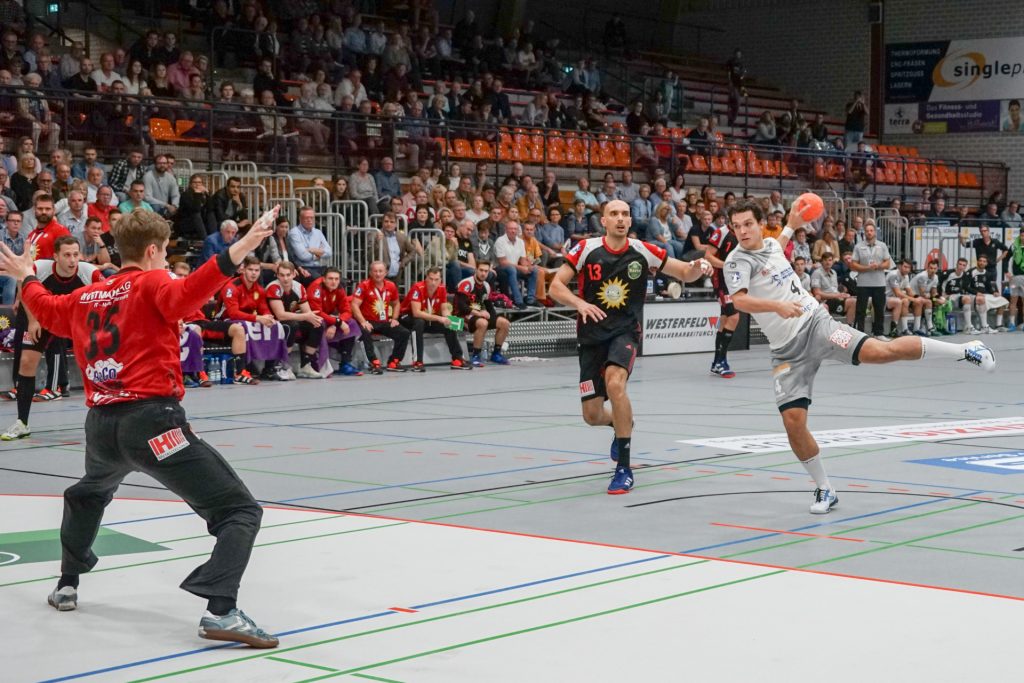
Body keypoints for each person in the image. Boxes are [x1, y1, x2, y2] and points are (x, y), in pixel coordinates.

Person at [0, 204, 282, 646]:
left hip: (101, 427)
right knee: (239, 511)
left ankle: (67, 584)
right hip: (153, 424)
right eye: (166, 251)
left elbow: (47, 308)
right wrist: (245, 244)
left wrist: (26, 275)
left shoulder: (87, 295)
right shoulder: (154, 282)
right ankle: (221, 610)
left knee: (89, 493)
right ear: (153, 251)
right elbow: (194, 288)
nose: (166, 259)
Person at [722, 199, 994, 515]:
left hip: (818, 326)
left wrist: (792, 225)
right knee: (793, 423)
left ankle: (965, 350)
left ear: (759, 224)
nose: (742, 231)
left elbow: (776, 246)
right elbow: (740, 302)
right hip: (787, 352)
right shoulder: (736, 262)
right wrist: (777, 306)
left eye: (748, 224)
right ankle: (825, 488)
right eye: (736, 226)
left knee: (881, 352)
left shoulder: (770, 244)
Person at [548, 200, 712, 494]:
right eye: (614, 214)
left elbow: (685, 273)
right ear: (604, 221)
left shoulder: (643, 250)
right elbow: (555, 286)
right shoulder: (585, 249)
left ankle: (623, 468)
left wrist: (699, 266)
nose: (621, 219)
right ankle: (622, 422)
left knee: (616, 384)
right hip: (591, 336)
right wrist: (579, 303)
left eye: (625, 214)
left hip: (625, 332)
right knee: (592, 415)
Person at [2, 237, 103, 438]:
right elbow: (23, 286)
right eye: (67, 255)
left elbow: (108, 295)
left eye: (75, 254)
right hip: (39, 316)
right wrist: (33, 321)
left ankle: (103, 420)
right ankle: (22, 423)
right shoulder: (40, 268)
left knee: (97, 362)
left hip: (69, 317)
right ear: (56, 256)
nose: (72, 260)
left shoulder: (90, 272)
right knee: (26, 362)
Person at [399, 267, 471, 371]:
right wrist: (439, 318)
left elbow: (444, 309)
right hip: (406, 317)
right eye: (431, 279)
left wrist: (448, 318)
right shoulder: (417, 288)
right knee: (419, 322)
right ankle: (418, 362)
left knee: (448, 325)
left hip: (428, 318)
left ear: (440, 280)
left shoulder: (442, 288)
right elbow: (416, 313)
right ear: (426, 278)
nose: (433, 283)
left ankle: (457, 359)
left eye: (436, 279)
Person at [265, 260, 325, 379]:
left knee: (317, 324)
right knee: (291, 325)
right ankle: (284, 365)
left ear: (294, 274)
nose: (285, 278)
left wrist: (311, 317)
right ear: (277, 275)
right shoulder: (273, 287)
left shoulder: (299, 287)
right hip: (271, 323)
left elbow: (308, 313)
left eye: (288, 275)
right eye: (282, 275)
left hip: (290, 320)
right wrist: (305, 316)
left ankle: (305, 365)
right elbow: (280, 315)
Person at [350, 260, 411, 374]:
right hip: (368, 321)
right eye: (375, 271)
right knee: (365, 331)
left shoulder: (391, 286)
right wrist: (363, 322)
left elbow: (396, 303)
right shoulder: (364, 286)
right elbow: (354, 304)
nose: (378, 274)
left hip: (383, 321)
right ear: (370, 273)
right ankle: (373, 363)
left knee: (404, 333)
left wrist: (394, 318)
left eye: (380, 271)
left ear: (385, 272)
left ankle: (394, 362)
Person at [703, 211, 741, 378]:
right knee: (734, 317)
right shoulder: (721, 233)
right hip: (721, 279)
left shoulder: (743, 233)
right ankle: (721, 362)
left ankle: (717, 362)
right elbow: (708, 256)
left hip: (734, 280)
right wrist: (727, 265)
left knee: (725, 319)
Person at [454, 261, 511, 367]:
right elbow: (461, 306)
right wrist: (479, 313)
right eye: (481, 270)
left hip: (477, 316)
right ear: (476, 270)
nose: (483, 273)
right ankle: (475, 356)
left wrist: (493, 318)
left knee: (504, 323)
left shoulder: (486, 286)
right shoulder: (467, 283)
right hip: (459, 317)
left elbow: (489, 306)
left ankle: (496, 354)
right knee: (482, 323)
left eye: (486, 271)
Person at [307, 267, 361, 376]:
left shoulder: (339, 288)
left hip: (330, 319)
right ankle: (321, 365)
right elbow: (317, 312)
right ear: (323, 279)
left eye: (336, 279)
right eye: (330, 278)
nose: (334, 282)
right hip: (312, 319)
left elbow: (347, 311)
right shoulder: (316, 287)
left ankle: (345, 363)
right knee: (320, 324)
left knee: (351, 323)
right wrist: (337, 322)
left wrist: (335, 324)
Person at [851, 221, 892, 338]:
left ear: (875, 232)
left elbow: (888, 263)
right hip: (863, 282)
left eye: (871, 230)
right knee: (861, 310)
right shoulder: (858, 246)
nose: (869, 233)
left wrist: (878, 266)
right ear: (864, 233)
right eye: (867, 231)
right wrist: (867, 268)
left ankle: (878, 333)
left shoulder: (882, 245)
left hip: (879, 282)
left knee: (879, 308)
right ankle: (860, 333)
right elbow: (854, 264)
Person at [909, 260, 943, 336]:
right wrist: (934, 298)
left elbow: (934, 293)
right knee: (928, 302)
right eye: (931, 268)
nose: (933, 270)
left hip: (921, 298)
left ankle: (930, 328)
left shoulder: (936, 277)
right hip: (911, 298)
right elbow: (923, 294)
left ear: (937, 269)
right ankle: (917, 328)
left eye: (935, 268)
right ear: (927, 268)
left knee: (937, 302)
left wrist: (940, 298)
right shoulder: (922, 276)